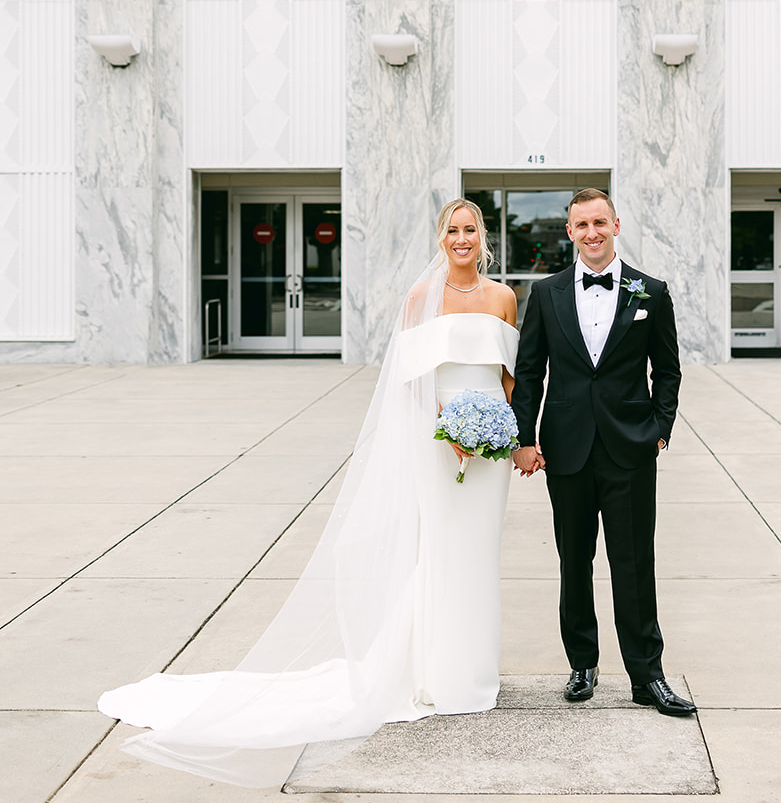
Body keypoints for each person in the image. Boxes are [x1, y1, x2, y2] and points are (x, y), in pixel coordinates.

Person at [98, 199, 518, 789]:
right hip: (438, 440)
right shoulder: (419, 300)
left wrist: (496, 428)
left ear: (484, 237)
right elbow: (409, 377)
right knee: (442, 552)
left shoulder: (503, 298)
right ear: (441, 237)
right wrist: (449, 427)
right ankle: (437, 675)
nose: (462, 238)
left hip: (491, 453)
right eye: (452, 230)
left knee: (479, 556)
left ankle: (476, 672)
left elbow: (507, 375)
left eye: (470, 229)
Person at [510, 187, 695, 717]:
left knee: (635, 563)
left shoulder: (650, 292)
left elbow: (669, 369)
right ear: (569, 232)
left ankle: (647, 676)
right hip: (566, 451)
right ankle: (582, 664)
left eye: (600, 222)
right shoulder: (545, 294)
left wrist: (660, 428)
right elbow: (529, 372)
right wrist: (525, 439)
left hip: (629, 450)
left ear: (616, 224)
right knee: (575, 562)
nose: (591, 233)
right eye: (581, 225)